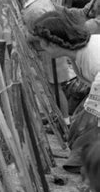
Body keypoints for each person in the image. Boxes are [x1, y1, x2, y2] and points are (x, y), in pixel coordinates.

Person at [31, 10, 100, 173]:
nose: (39, 46)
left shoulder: (94, 60)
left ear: (53, 43)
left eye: (41, 41)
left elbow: (94, 115)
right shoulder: (82, 52)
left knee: (87, 124)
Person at [10, 0, 76, 122]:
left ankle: (64, 121)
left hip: (50, 56)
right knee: (53, 88)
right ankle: (58, 116)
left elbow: (45, 33)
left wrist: (26, 35)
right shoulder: (41, 0)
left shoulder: (35, 10)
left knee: (54, 89)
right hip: (51, 53)